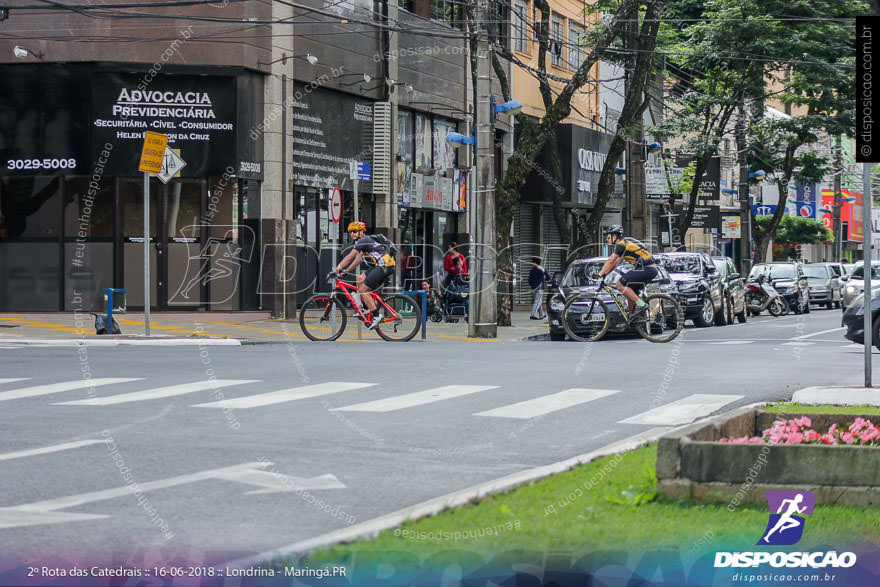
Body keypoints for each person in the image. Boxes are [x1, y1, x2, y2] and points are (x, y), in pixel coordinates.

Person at [331, 221, 396, 329]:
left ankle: (376, 315)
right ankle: (365, 309)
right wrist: (345, 271)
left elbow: (349, 257)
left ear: (362, 232)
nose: (352, 234)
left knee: (362, 290)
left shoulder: (363, 240)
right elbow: (358, 260)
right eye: (350, 232)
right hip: (383, 266)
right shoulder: (366, 241)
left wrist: (336, 270)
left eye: (355, 231)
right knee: (360, 279)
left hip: (384, 267)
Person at [597, 225, 658, 320]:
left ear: (615, 237)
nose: (607, 239)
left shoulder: (621, 244)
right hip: (650, 269)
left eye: (608, 237)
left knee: (619, 285)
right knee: (630, 291)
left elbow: (611, 260)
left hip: (646, 269)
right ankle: (632, 316)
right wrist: (605, 273)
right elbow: (615, 264)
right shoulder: (625, 246)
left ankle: (642, 305)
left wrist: (600, 274)